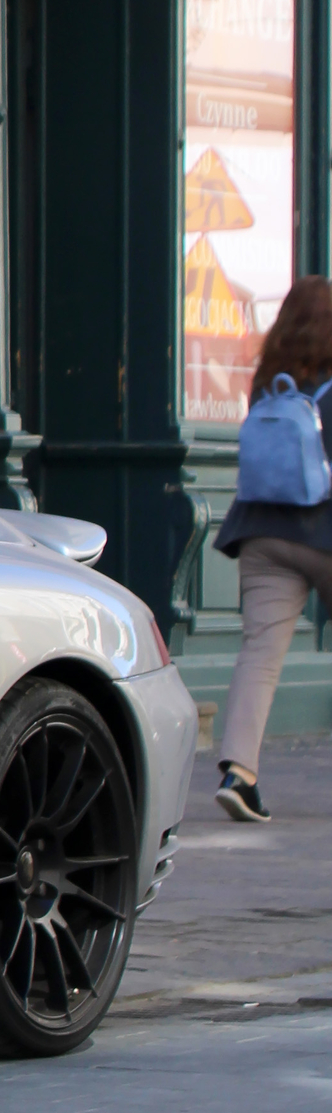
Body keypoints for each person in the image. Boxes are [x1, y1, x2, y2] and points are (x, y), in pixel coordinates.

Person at [212, 275, 332, 822]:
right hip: (324, 531)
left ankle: (240, 772)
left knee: (259, 655)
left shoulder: (268, 381)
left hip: (262, 531)